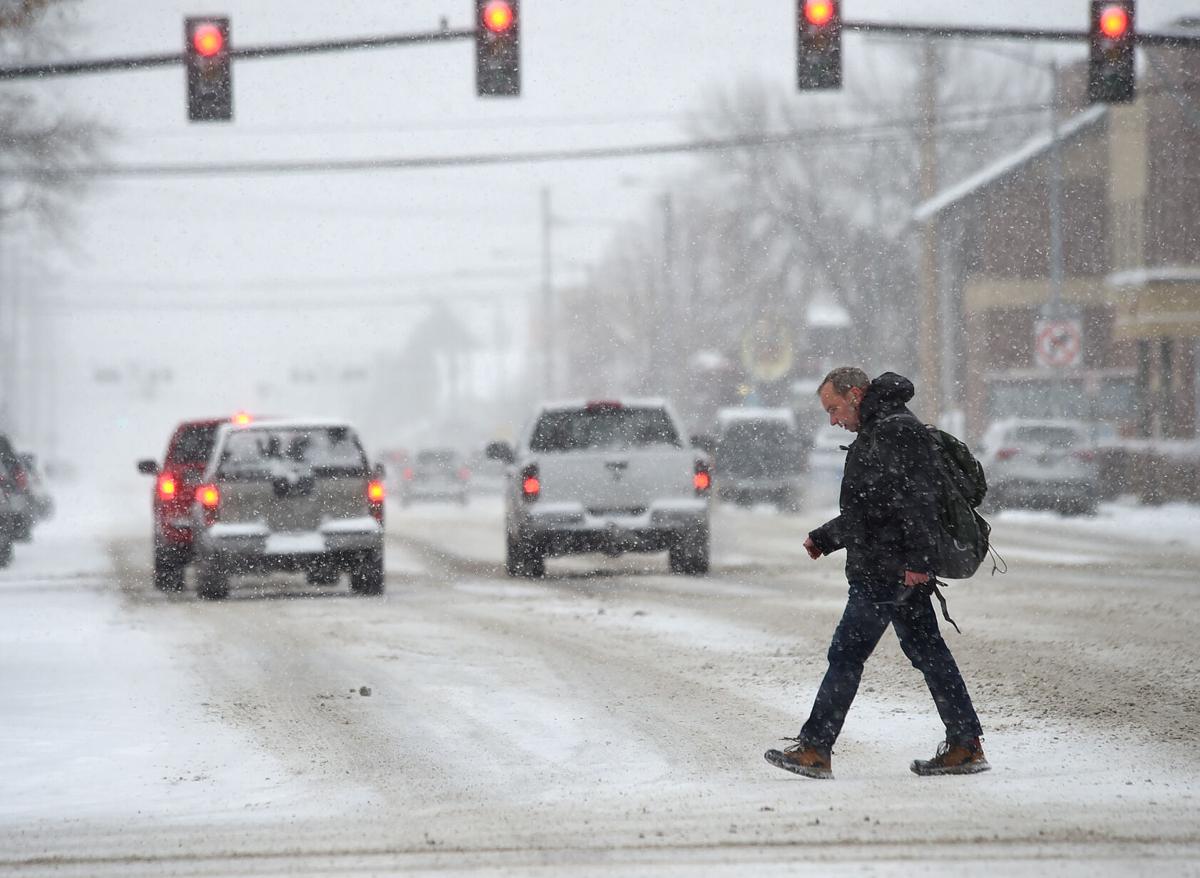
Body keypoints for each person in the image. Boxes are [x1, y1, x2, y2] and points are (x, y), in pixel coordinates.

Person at [764, 368, 988, 779]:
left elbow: (911, 502)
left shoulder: (893, 432)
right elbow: (876, 507)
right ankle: (965, 744)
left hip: (887, 570)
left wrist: (919, 562)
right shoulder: (886, 429)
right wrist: (829, 537)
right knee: (928, 652)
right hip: (894, 566)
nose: (833, 420)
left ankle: (815, 749)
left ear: (856, 394)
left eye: (834, 408)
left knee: (847, 655)